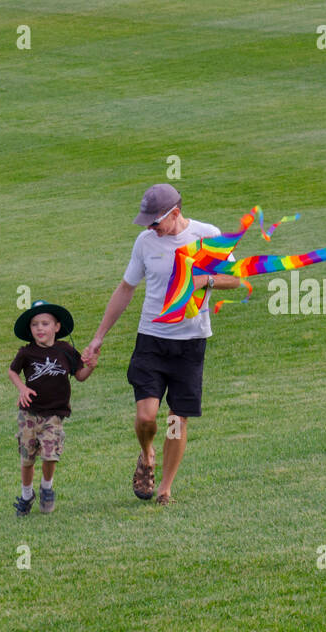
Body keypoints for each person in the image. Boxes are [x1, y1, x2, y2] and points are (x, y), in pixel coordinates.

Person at [81, 184, 241, 505]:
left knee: (175, 420)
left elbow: (235, 277)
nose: (150, 229)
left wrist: (205, 280)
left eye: (155, 223)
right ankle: (146, 454)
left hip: (190, 343)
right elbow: (126, 289)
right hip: (152, 340)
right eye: (146, 223)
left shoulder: (206, 235)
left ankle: (165, 488)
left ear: (175, 214)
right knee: (146, 417)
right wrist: (98, 338)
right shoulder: (145, 243)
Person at [8, 301, 92, 515]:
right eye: (35, 324)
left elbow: (80, 376)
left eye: (45, 323)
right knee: (27, 458)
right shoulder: (26, 352)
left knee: (50, 454)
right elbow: (12, 372)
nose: (39, 328)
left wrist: (91, 365)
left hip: (54, 414)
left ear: (56, 326)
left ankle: (46, 488)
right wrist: (22, 389)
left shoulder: (65, 350)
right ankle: (27, 495)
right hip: (29, 413)